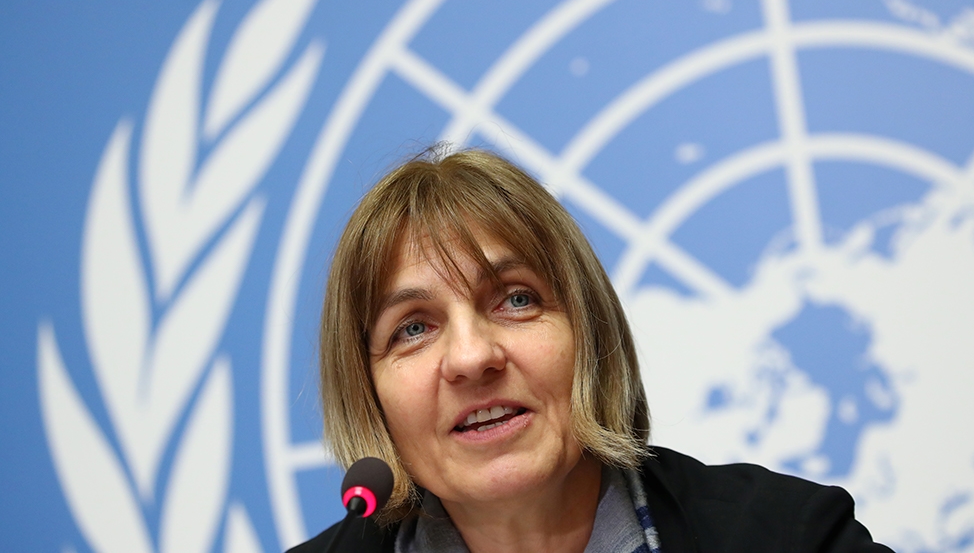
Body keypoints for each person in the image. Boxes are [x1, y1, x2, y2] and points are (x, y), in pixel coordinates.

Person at [288, 148, 893, 552]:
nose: (473, 357)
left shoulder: (792, 538)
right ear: (368, 391)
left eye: (516, 299)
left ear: (590, 334)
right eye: (412, 328)